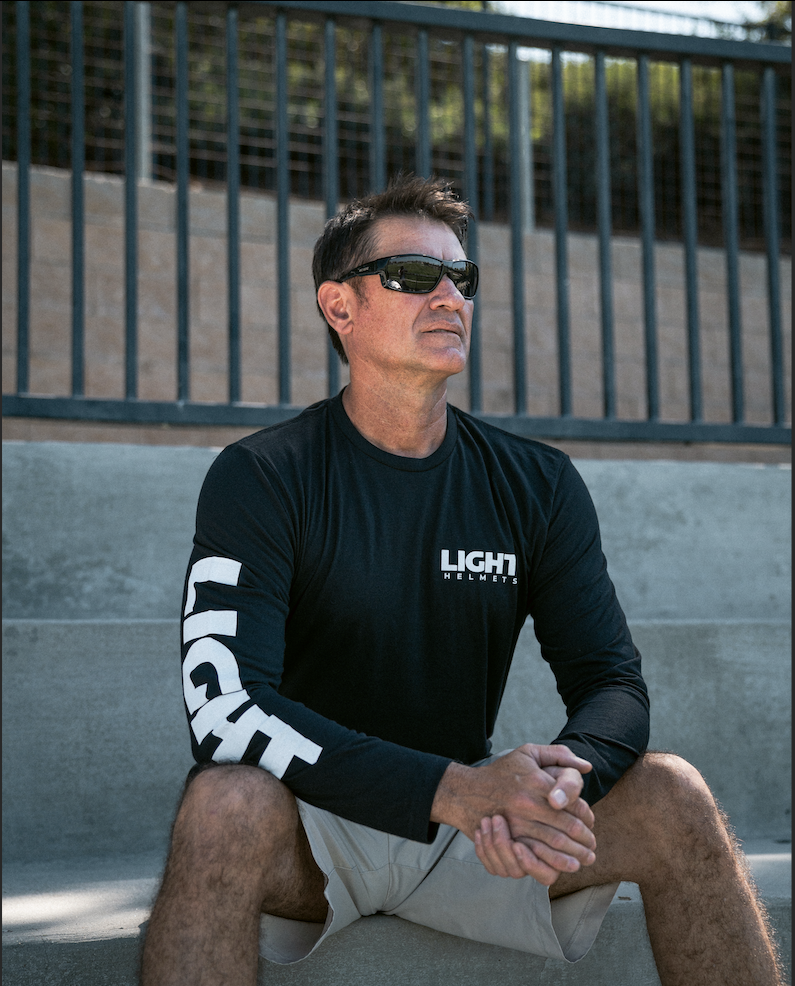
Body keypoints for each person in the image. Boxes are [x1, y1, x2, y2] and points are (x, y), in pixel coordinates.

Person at [140, 175, 784, 986]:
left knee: (673, 795)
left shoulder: (535, 483)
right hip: (314, 830)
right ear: (339, 308)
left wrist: (553, 782)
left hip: (476, 838)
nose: (449, 295)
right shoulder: (262, 476)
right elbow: (226, 711)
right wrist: (455, 790)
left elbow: (612, 682)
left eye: (462, 278)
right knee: (222, 803)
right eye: (413, 275)